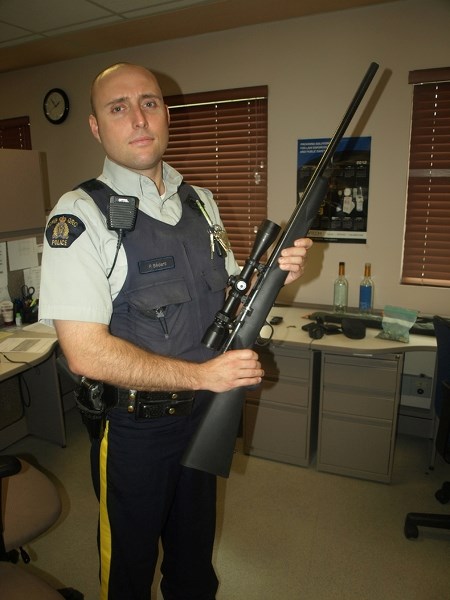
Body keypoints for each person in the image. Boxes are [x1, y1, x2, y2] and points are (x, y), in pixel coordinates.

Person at [39, 62, 313, 600]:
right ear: (97, 126)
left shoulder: (201, 203)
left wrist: (274, 271)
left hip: (204, 417)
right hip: (135, 432)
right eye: (118, 108)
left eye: (149, 102)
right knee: (129, 571)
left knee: (193, 565)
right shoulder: (78, 215)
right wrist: (204, 375)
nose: (138, 118)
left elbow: (229, 298)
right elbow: (86, 354)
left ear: (166, 114)